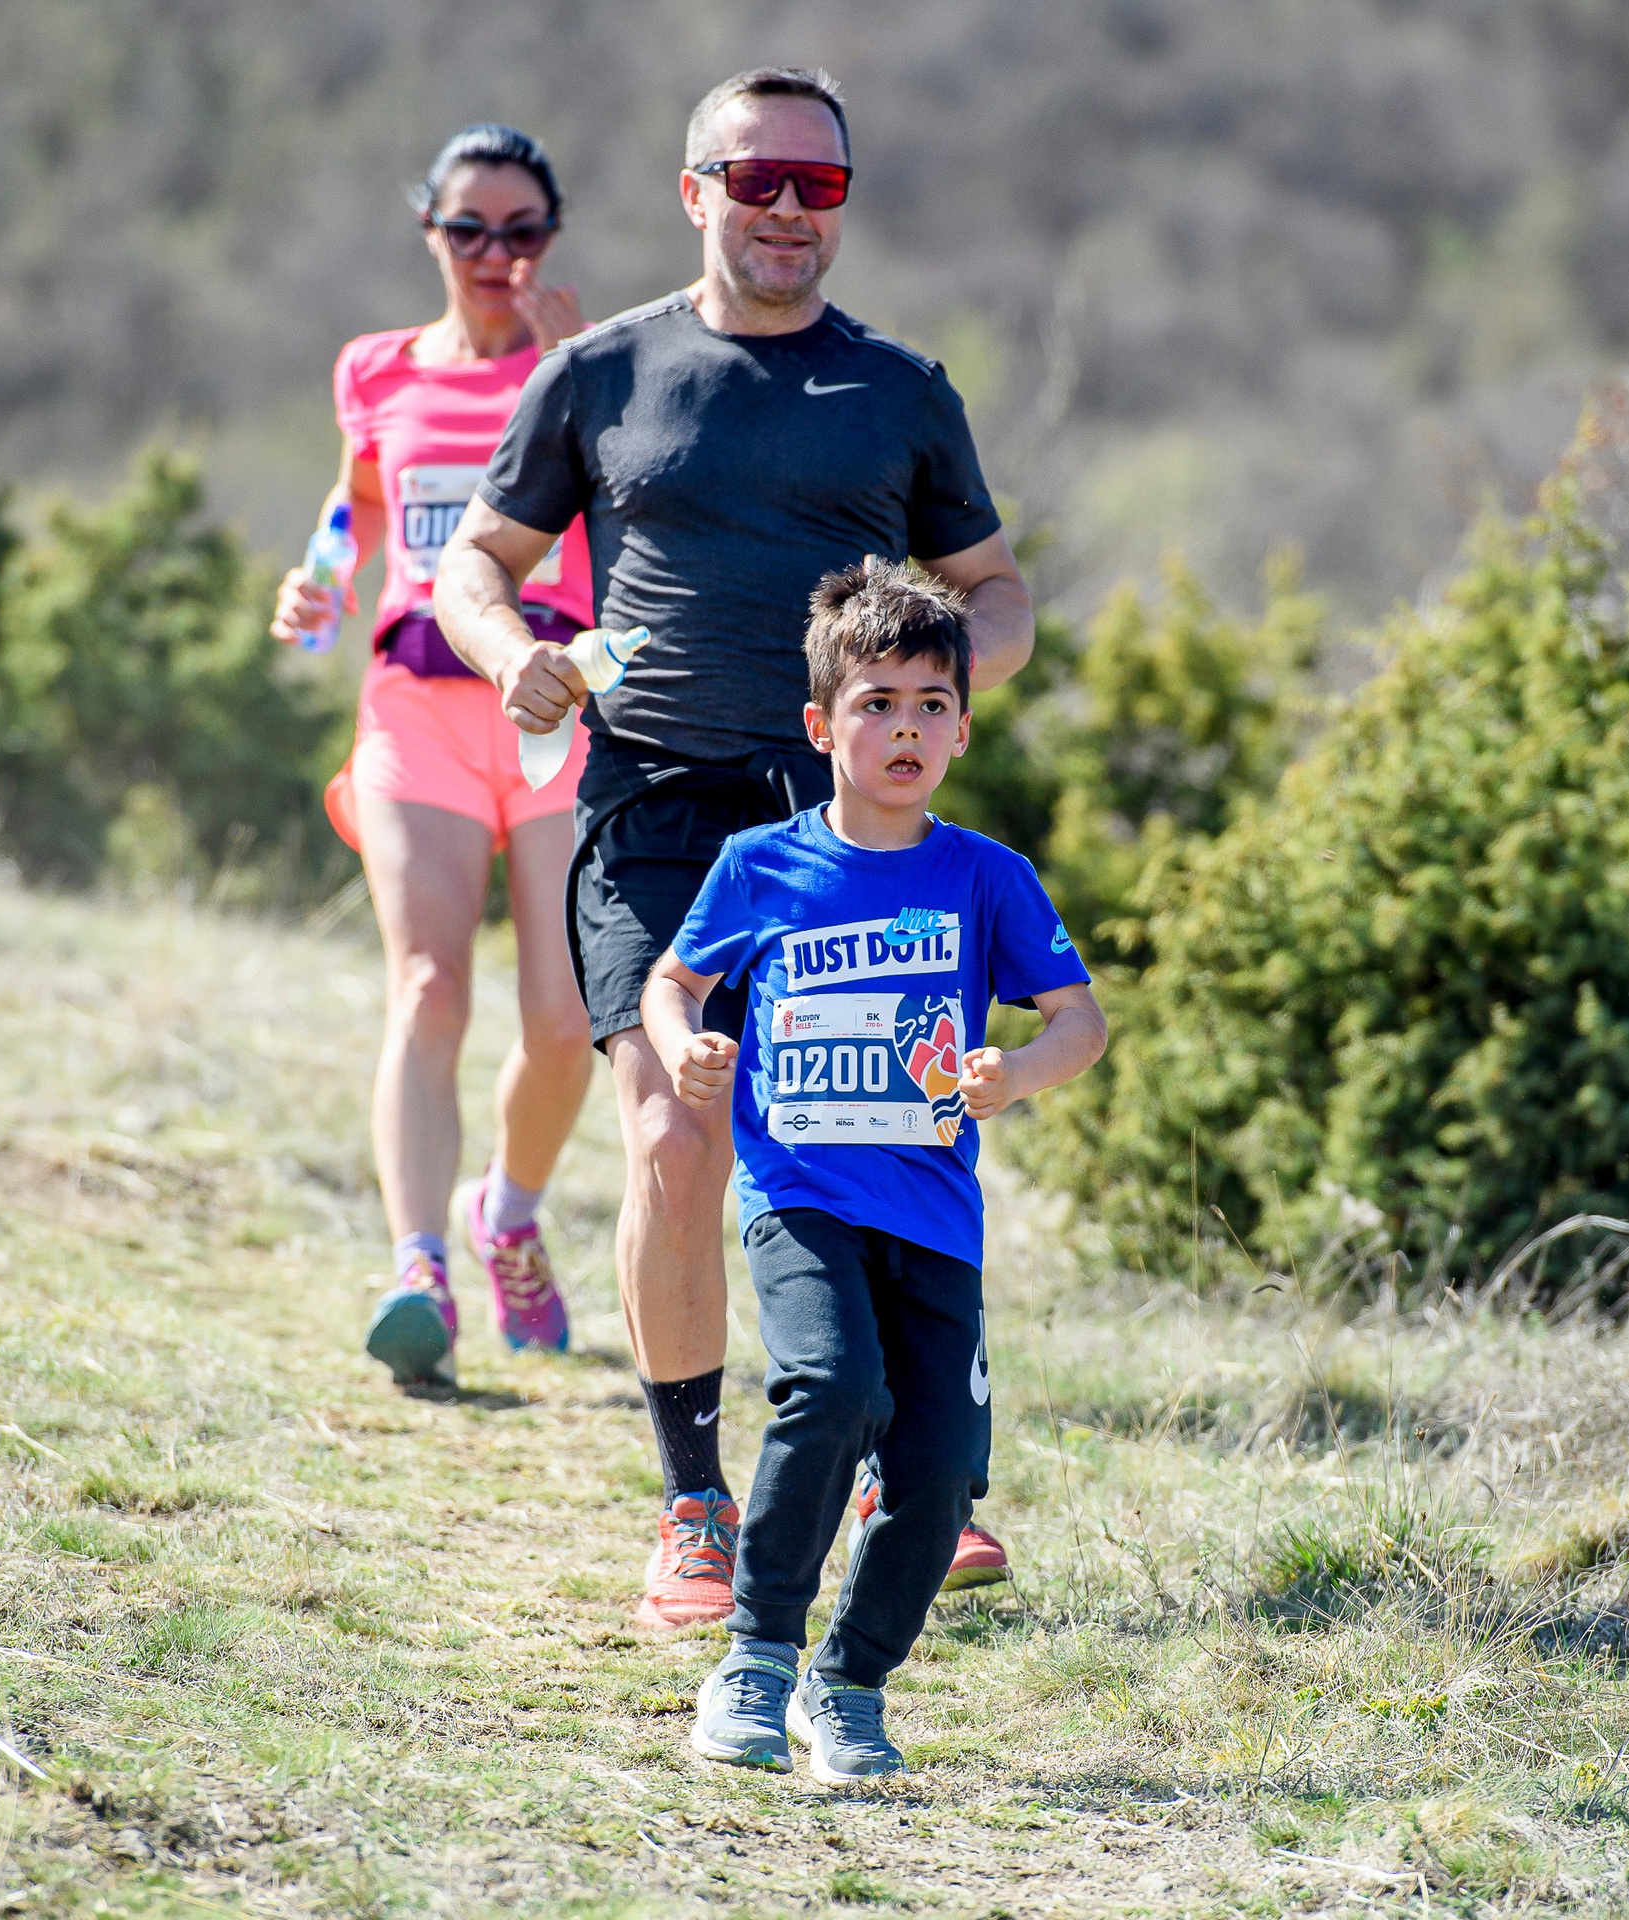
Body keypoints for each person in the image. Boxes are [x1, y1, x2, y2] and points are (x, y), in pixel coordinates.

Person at [435, 68, 1036, 1627]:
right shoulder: (597, 371)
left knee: (879, 1133)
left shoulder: (899, 389)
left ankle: (916, 1472)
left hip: (840, 819)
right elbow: (473, 568)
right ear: (694, 189)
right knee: (671, 1138)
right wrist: (515, 657)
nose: (786, 209)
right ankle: (695, 1502)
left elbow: (997, 587)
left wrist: (944, 674)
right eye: (754, 179)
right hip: (652, 808)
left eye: (817, 186)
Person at [645, 560, 1106, 1781]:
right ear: (821, 725)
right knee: (829, 1387)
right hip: (799, 1193)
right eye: (875, 702)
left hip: (934, 1216)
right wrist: (680, 1040)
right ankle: (753, 1660)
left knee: (941, 1462)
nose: (904, 726)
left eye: (929, 704)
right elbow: (674, 978)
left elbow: (1081, 1022)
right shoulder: (758, 865)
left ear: (961, 724)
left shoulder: (985, 876)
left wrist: (1021, 1069)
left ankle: (846, 1687)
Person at [270, 124, 595, 1387]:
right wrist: (319, 584)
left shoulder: (583, 363)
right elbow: (356, 503)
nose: (496, 256)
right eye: (471, 230)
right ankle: (417, 1269)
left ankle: (504, 1214)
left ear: (549, 240)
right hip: (414, 701)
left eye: (521, 232)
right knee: (427, 987)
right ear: (431, 233)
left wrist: (577, 369)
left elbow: (633, 504)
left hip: (554, 701)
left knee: (566, 1021)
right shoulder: (373, 368)